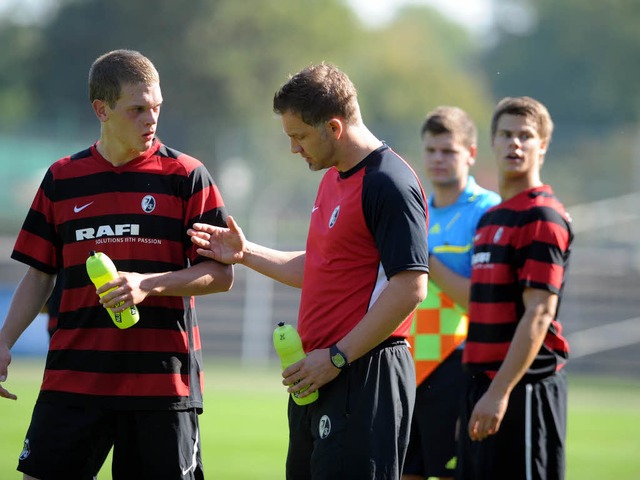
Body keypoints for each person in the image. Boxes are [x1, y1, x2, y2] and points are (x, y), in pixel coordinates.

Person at [0, 49, 233, 480]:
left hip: (162, 384)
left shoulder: (188, 176)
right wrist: (4, 342)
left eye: (157, 107)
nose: (151, 120)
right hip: (74, 380)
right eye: (138, 109)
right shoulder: (61, 179)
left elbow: (220, 274)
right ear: (101, 110)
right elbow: (39, 274)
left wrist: (149, 284)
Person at [189, 63, 430, 479]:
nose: (294, 148)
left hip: (364, 374)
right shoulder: (334, 178)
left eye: (299, 136)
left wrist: (337, 357)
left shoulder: (388, 183)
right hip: (320, 375)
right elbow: (319, 268)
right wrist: (245, 253)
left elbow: (411, 287)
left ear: (333, 128)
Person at [457, 96, 573, 479]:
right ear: (492, 142)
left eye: (526, 135)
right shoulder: (490, 218)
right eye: (506, 134)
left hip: (523, 390)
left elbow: (539, 313)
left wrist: (499, 393)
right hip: (484, 388)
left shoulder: (542, 216)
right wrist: (475, 395)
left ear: (543, 145)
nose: (515, 143)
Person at [403, 107, 500, 480]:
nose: (438, 159)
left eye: (449, 151)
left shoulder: (488, 211)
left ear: (471, 154)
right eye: (431, 150)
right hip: (411, 364)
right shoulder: (416, 210)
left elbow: (482, 302)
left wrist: (424, 259)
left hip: (459, 366)